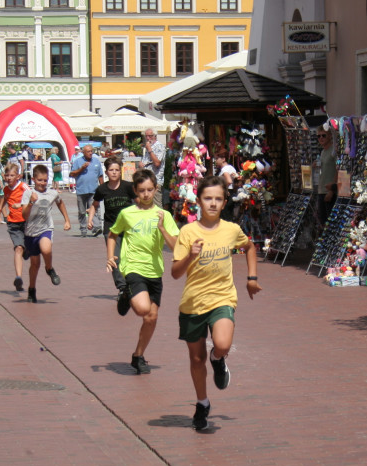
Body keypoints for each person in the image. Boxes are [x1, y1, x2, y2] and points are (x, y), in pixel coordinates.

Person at [171, 176, 261, 431]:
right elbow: (176, 273)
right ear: (198, 200)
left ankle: (218, 358)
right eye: (208, 198)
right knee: (196, 360)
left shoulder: (231, 230)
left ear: (224, 203)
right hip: (192, 303)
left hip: (223, 298)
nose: (212, 203)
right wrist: (190, 255)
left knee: (222, 344)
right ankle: (202, 403)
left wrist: (251, 279)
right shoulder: (188, 232)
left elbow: (250, 247)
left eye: (218, 199)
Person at [106, 169, 179, 375]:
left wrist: (163, 229)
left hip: (155, 271)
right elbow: (113, 235)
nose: (146, 194)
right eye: (141, 191)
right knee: (142, 309)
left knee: (151, 318)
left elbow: (176, 247)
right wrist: (111, 256)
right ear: (135, 192)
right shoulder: (127, 213)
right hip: (133, 267)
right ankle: (127, 292)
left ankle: (138, 356)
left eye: (149, 190)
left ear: (156, 189)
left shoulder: (164, 215)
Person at [90, 156, 135, 305]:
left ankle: (132, 285)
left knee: (129, 257)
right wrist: (90, 219)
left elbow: (140, 202)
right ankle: (122, 288)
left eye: (117, 170)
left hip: (128, 227)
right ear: (107, 172)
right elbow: (95, 205)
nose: (114, 173)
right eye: (111, 170)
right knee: (115, 258)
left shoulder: (128, 187)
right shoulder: (102, 189)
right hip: (110, 229)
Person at [19, 165, 69, 302]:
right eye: (40, 180)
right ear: (34, 179)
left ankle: (50, 268)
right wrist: (30, 203)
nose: (42, 183)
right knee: (34, 264)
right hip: (30, 232)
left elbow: (60, 203)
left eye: (45, 180)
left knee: (46, 249)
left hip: (46, 228)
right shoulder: (28, 194)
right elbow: (24, 215)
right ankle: (32, 289)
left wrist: (67, 220)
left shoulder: (52, 193)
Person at [1, 163, 31, 292]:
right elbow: (4, 200)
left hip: (27, 222)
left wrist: (21, 205)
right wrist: (1, 213)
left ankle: (27, 250)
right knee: (18, 248)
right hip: (13, 223)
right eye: (7, 175)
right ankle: (18, 277)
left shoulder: (23, 187)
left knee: (27, 249)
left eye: (12, 175)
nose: (9, 178)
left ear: (18, 176)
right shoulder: (6, 189)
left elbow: (33, 198)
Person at [70, 144, 103, 237]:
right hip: (81, 190)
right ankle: (83, 229)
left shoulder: (96, 161)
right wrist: (82, 168)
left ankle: (96, 227)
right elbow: (72, 174)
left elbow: (100, 175)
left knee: (94, 209)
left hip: (93, 190)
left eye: (91, 151)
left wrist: (103, 188)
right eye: (88, 151)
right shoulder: (77, 161)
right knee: (82, 211)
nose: (90, 153)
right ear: (83, 153)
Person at [316, 127, 338, 227]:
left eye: (323, 135)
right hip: (321, 190)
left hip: (329, 191)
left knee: (330, 223)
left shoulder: (333, 151)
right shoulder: (323, 152)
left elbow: (338, 169)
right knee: (323, 223)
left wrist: (332, 190)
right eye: (318, 136)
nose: (321, 138)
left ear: (329, 136)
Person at [138, 129, 166, 207]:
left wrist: (150, 150)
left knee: (157, 206)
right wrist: (141, 164)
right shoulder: (147, 147)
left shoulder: (159, 146)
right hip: (146, 180)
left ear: (154, 136)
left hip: (155, 181)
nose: (147, 138)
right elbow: (147, 162)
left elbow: (157, 163)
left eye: (150, 136)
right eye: (146, 136)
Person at [212, 145, 238, 222]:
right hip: (231, 192)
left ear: (223, 159)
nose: (216, 160)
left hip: (226, 193)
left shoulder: (224, 169)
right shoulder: (231, 168)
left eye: (217, 158)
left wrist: (224, 188)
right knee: (229, 215)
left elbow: (229, 181)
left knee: (224, 215)